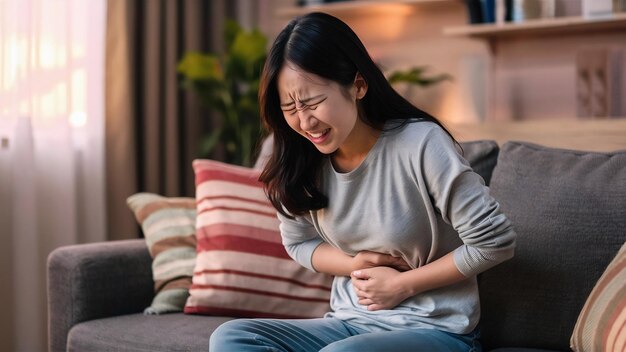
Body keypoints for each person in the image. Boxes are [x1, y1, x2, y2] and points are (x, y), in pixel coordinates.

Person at [209, 12, 516, 352]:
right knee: (232, 337)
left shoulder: (421, 144)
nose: (305, 121)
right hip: (348, 324)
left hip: (439, 330)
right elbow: (298, 244)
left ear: (358, 85)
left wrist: (404, 285)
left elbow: (495, 242)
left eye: (312, 102)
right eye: (290, 107)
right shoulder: (301, 158)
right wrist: (353, 263)